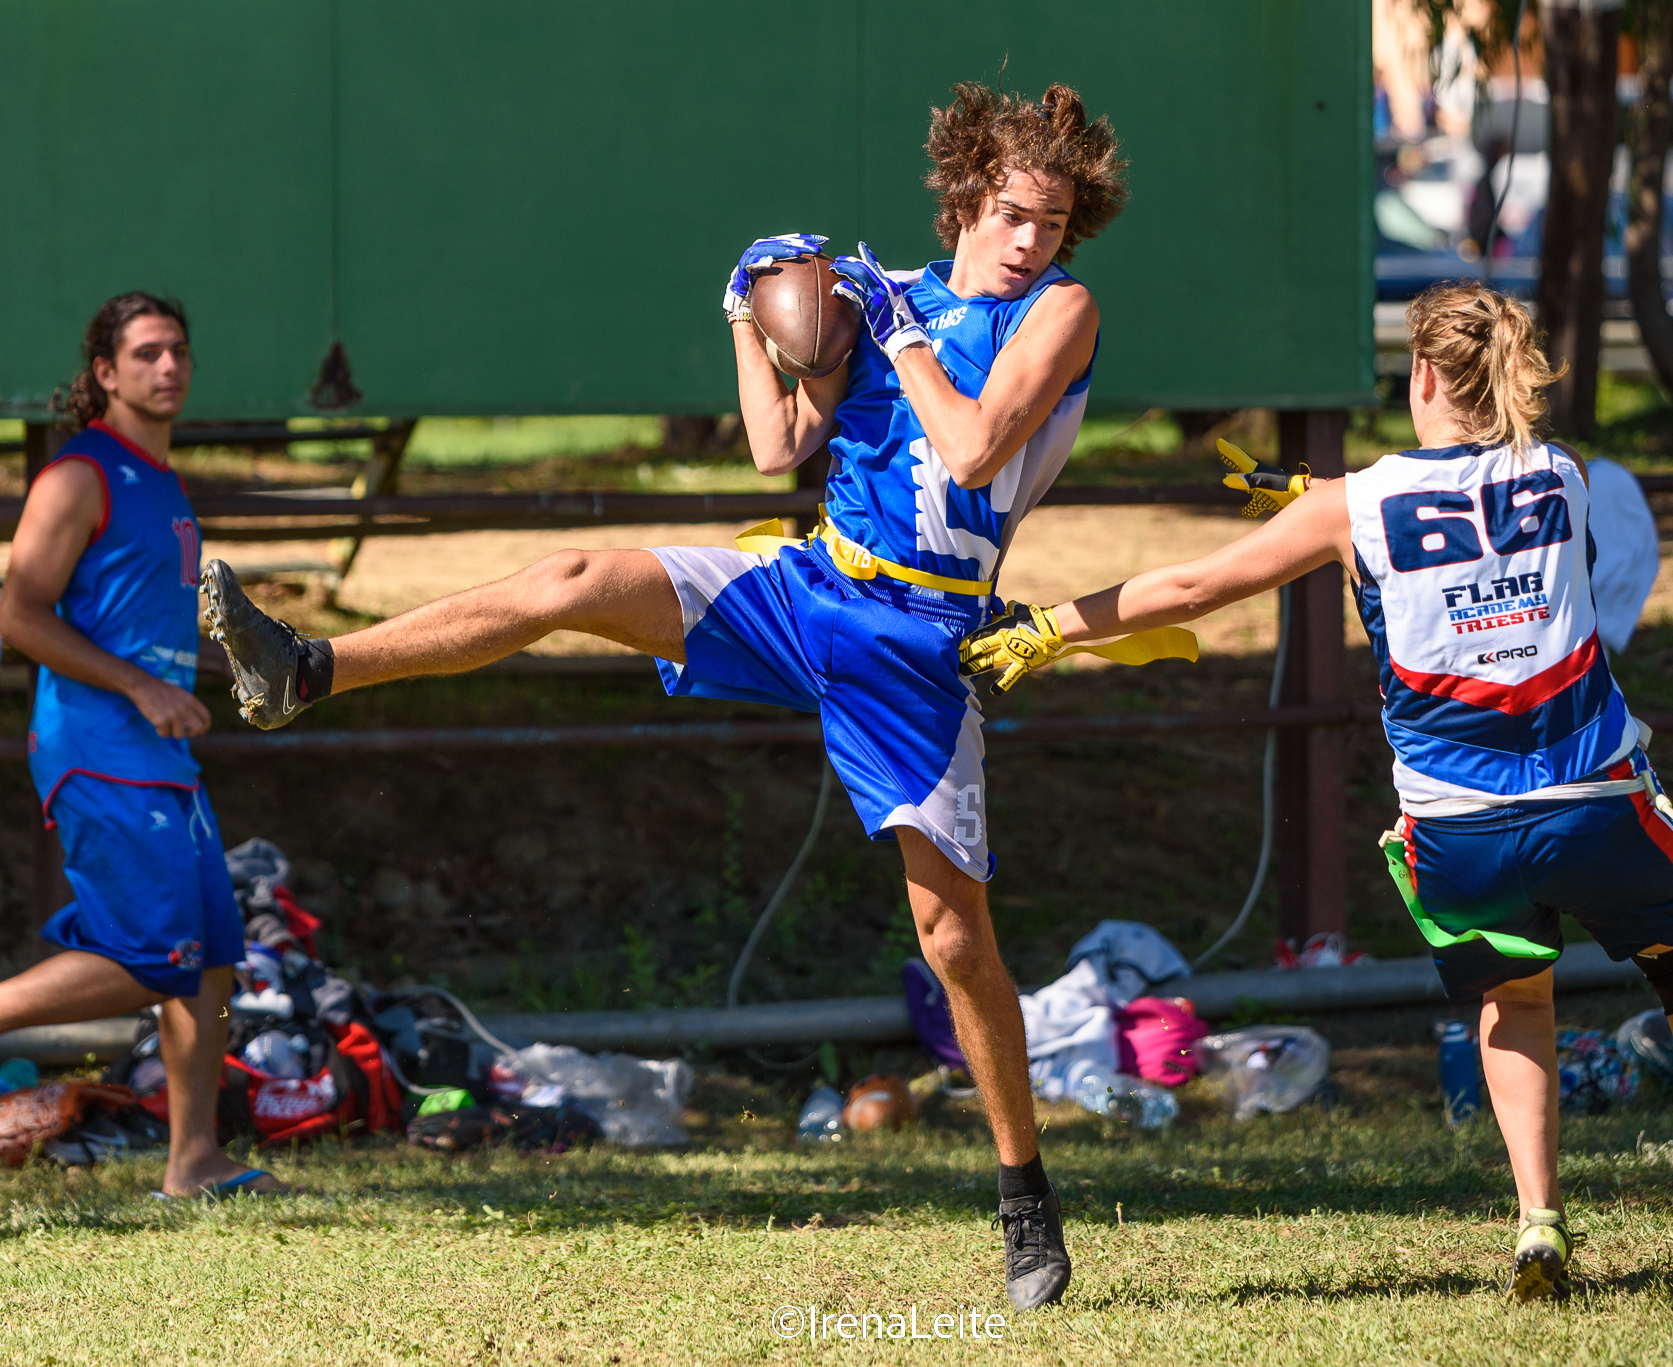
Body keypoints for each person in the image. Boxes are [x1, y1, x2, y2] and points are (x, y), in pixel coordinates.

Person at [201, 82, 1127, 1307]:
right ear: (966, 196)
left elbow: (967, 450)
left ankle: (1023, 1193)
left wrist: (895, 330)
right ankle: (307, 667)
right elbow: (772, 451)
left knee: (952, 938)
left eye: (1051, 222)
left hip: (921, 635)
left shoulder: (1058, 312)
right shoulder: (882, 296)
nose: (1029, 242)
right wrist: (746, 308)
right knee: (572, 575)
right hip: (811, 584)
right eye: (1014, 214)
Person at [959, 281, 1673, 1300]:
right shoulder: (1565, 474)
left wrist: (1048, 627)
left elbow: (1195, 585)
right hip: (1591, 806)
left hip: (1456, 833)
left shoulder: (1348, 507)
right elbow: (1468, 514)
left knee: (1513, 995)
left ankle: (1536, 1217)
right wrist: (1321, 495)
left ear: (1417, 372)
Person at [0, 292, 285, 1197]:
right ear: (105, 373)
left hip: (159, 751)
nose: (169, 367)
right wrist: (144, 685)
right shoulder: (79, 474)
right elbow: (17, 615)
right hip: (100, 745)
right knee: (157, 953)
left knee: (212, 954)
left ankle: (193, 1162)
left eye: (180, 350)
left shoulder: (167, 483)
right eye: (146, 353)